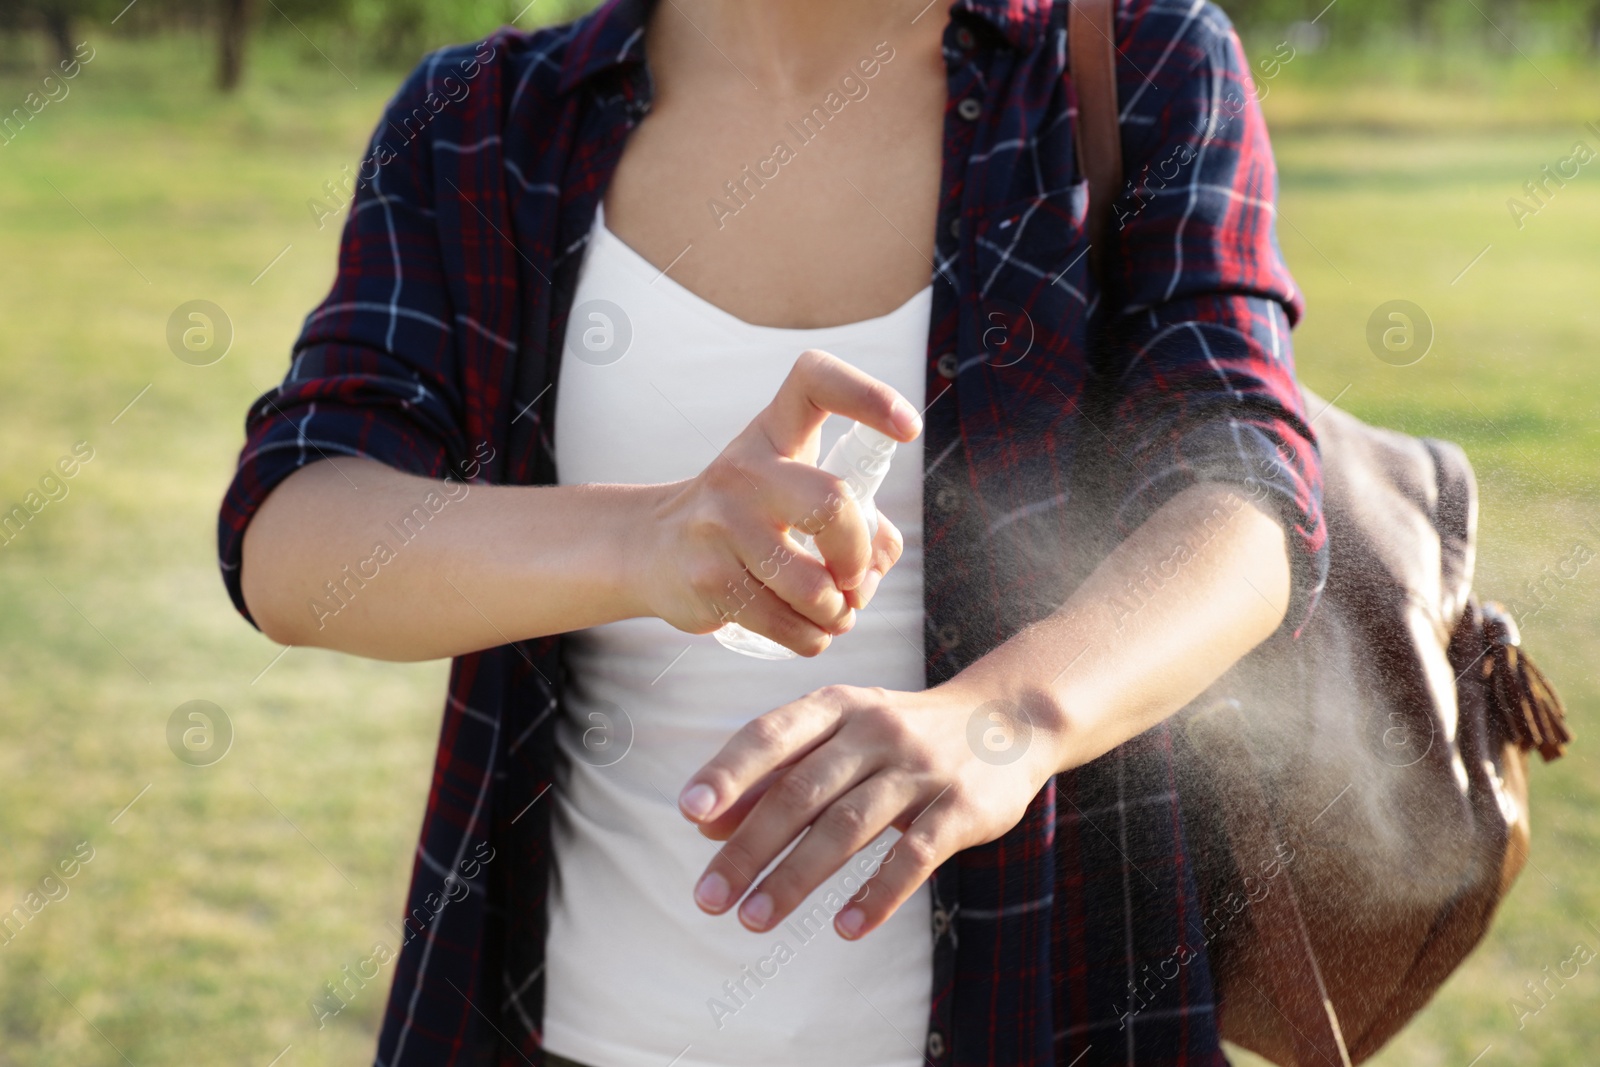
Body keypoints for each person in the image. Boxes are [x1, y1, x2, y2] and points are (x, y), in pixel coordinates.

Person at [218, 0, 1327, 1063]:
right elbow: (294, 534)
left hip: (1046, 1009)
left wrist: (1008, 717)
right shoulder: (480, 117)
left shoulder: (1133, 63)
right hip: (558, 1029)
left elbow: (1243, 495)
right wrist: (649, 541)